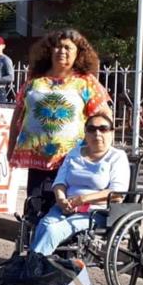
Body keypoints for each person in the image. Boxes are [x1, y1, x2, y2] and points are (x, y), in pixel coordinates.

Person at [8, 28, 111, 199]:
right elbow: (17, 116)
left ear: (78, 53)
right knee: (35, 206)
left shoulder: (86, 83)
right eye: (57, 47)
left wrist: (100, 153)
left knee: (61, 207)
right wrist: (10, 148)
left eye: (67, 48)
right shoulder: (34, 82)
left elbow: (104, 118)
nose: (61, 51)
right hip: (36, 160)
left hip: (70, 161)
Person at [29, 113, 129, 255]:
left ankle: (31, 268)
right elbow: (60, 182)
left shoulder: (117, 157)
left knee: (53, 230)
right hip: (65, 207)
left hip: (95, 212)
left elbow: (117, 194)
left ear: (112, 133)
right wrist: (61, 199)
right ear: (85, 133)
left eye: (103, 129)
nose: (97, 133)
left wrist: (81, 200)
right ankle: (35, 266)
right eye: (92, 129)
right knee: (44, 225)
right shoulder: (74, 153)